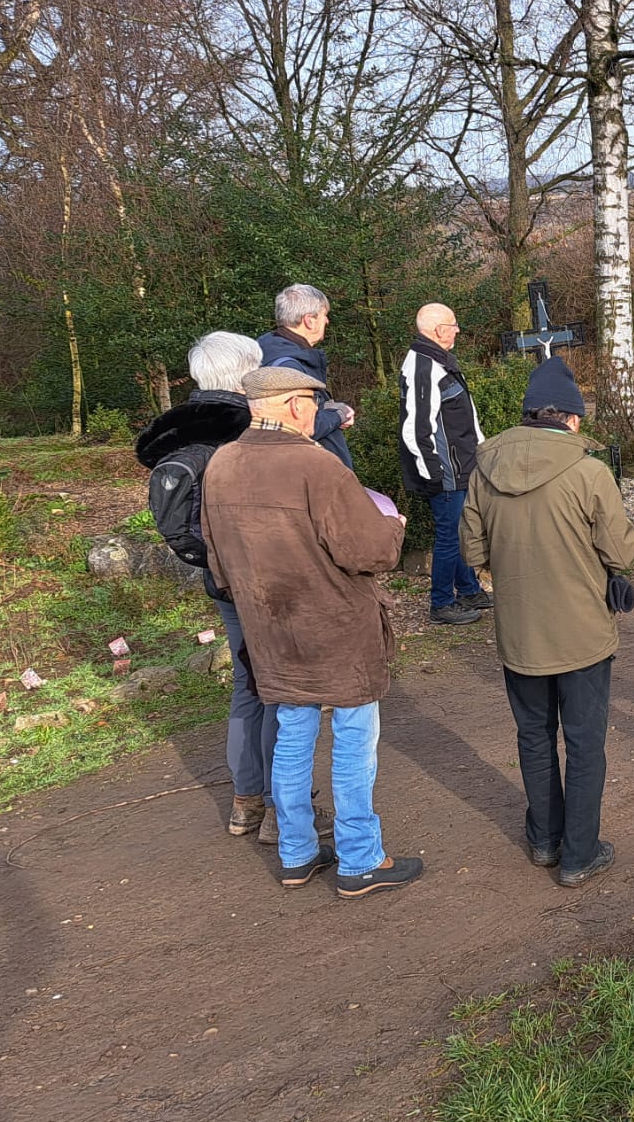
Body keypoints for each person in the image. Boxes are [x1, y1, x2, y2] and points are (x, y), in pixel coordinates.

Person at [201, 366, 420, 896]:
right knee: (352, 740)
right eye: (313, 404)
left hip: (270, 630)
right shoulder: (317, 466)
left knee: (292, 737)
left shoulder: (220, 465)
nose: (316, 414)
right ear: (297, 405)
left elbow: (218, 563)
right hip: (336, 628)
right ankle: (360, 860)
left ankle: (297, 853)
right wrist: (393, 527)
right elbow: (368, 551)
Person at [461, 356, 634, 887]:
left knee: (533, 737)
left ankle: (544, 840)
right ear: (572, 418)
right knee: (585, 742)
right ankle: (581, 853)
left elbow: (473, 550)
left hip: (519, 634)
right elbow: (622, 550)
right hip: (583, 632)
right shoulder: (589, 471)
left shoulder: (483, 469)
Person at [135, 331, 277, 842]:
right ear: (246, 373)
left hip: (220, 581)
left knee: (247, 686)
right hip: (264, 579)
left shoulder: (178, 436)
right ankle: (285, 811)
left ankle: (246, 801)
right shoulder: (247, 433)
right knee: (281, 688)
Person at [398, 303, 491, 626]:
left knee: (463, 531)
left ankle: (467, 589)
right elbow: (416, 427)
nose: (458, 330)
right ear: (439, 331)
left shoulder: (438, 360)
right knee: (450, 536)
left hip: (461, 465)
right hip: (445, 471)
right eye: (453, 325)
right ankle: (441, 603)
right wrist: (433, 473)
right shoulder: (424, 366)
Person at [259, 284, 356, 468]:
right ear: (309, 320)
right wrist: (337, 416)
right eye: (324, 315)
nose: (327, 321)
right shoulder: (287, 367)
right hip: (309, 475)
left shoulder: (272, 354)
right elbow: (295, 427)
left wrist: (326, 408)